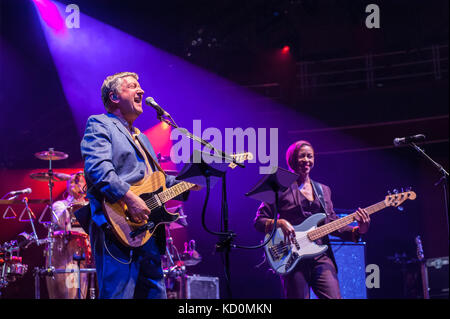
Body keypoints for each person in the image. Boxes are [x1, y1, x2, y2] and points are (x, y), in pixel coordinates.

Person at [79, 71, 192, 299]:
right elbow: (98, 169)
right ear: (114, 97)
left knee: (154, 294)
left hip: (148, 232)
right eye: (132, 86)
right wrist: (130, 198)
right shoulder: (100, 124)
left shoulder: (142, 137)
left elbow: (157, 180)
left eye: (139, 87)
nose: (141, 91)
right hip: (116, 226)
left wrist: (191, 181)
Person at [254, 140, 370, 299]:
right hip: (291, 257)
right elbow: (259, 221)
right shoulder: (279, 186)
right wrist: (280, 223)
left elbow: (332, 224)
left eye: (310, 156)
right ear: (292, 159)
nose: (307, 160)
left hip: (321, 256)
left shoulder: (324, 190)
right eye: (302, 156)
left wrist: (358, 230)